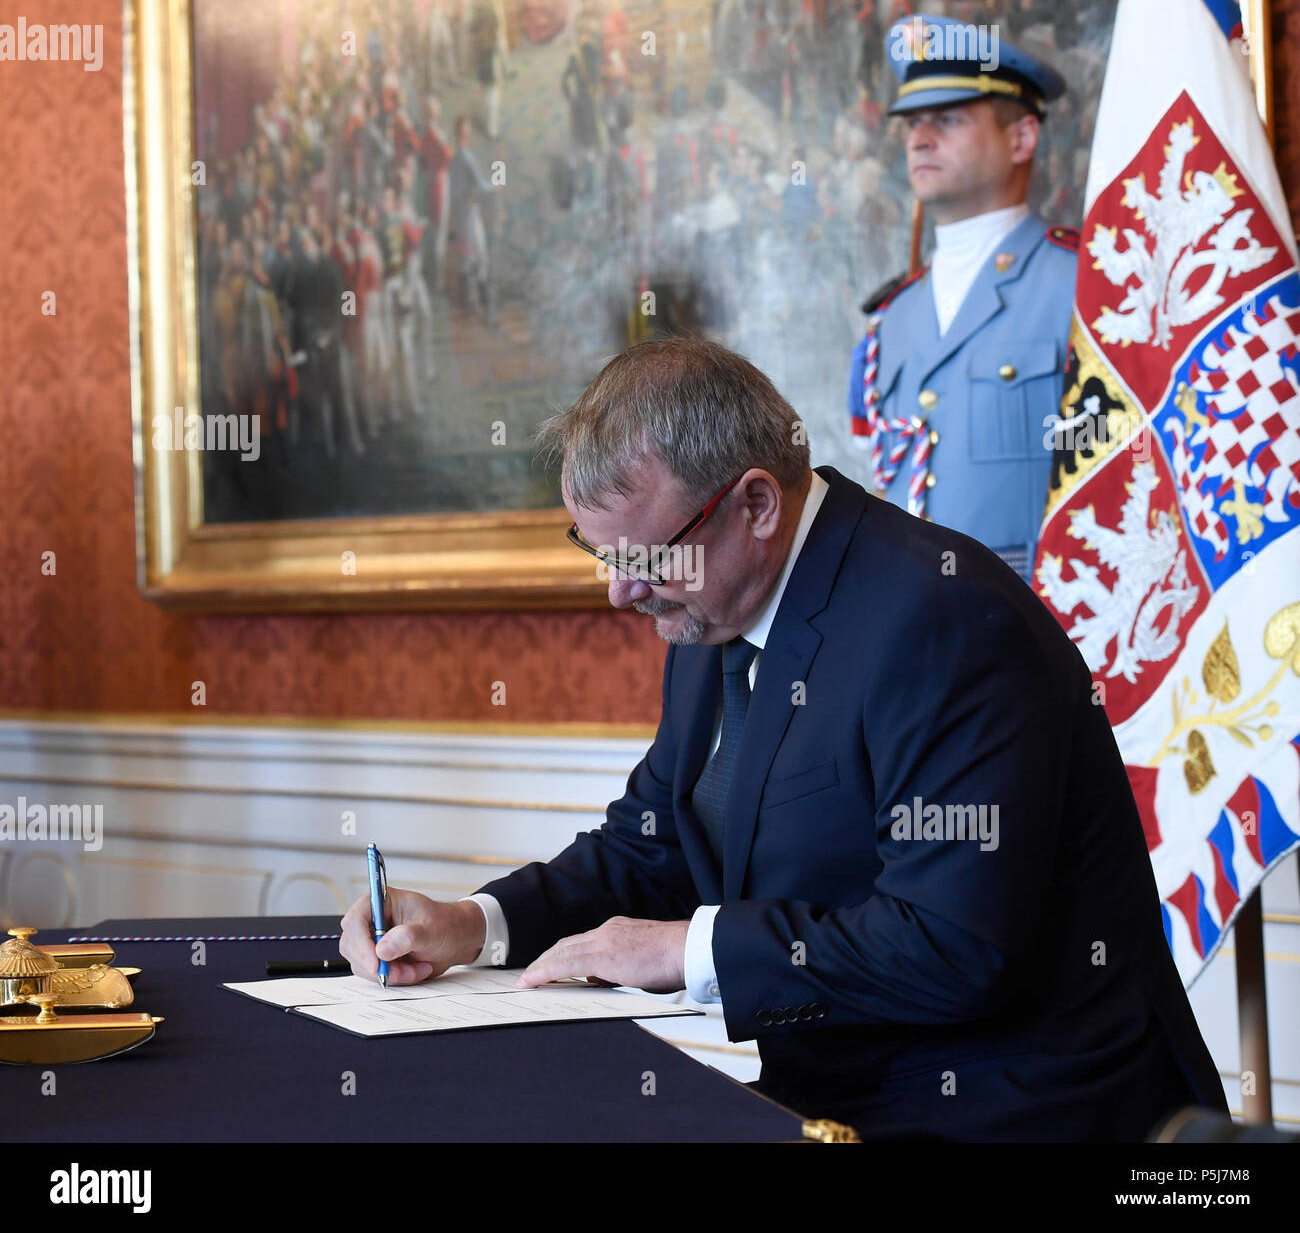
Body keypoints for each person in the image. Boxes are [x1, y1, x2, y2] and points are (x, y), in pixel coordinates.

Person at [341, 337, 1227, 1142]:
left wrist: (689, 949)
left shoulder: (940, 619)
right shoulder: (710, 614)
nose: (619, 594)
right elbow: (651, 842)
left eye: (643, 559)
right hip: (840, 1099)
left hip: (1028, 1111)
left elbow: (956, 946)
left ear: (756, 505)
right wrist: (477, 923)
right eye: (600, 554)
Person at [846, 15, 1078, 580]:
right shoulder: (890, 318)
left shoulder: (1084, 285)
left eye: (947, 119)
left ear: (1021, 137)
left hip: (1041, 640)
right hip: (909, 636)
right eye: (912, 124)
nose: (920, 138)